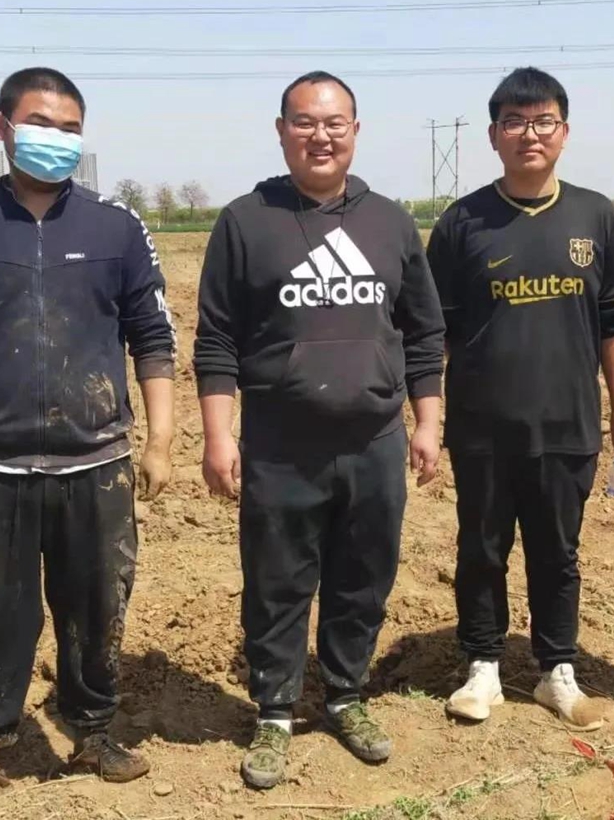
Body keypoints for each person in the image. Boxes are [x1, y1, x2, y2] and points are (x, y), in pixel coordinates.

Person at [0, 67, 176, 816]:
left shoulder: (116, 227)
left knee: (98, 610)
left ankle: (93, 733)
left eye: (68, 129)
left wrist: (160, 440)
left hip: (98, 465)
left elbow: (152, 336)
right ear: (3, 127)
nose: (54, 139)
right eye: (39, 123)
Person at [194, 70, 445, 788]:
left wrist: (427, 421)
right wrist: (219, 435)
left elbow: (424, 333)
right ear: (282, 132)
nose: (321, 135)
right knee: (276, 582)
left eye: (335, 123)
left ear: (355, 131)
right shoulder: (247, 221)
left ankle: (344, 696)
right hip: (281, 446)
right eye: (304, 122)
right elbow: (216, 339)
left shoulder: (389, 222)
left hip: (374, 442)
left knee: (363, 577)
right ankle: (274, 712)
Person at [427, 67, 614, 729]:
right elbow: (436, 332)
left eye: (543, 121)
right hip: (483, 425)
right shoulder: (462, 223)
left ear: (564, 132)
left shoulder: (596, 216)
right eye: (514, 122)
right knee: (481, 547)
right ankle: (483, 666)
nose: (529, 134)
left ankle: (556, 671)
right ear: (493, 135)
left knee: (558, 552)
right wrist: (430, 416)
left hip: (567, 422)